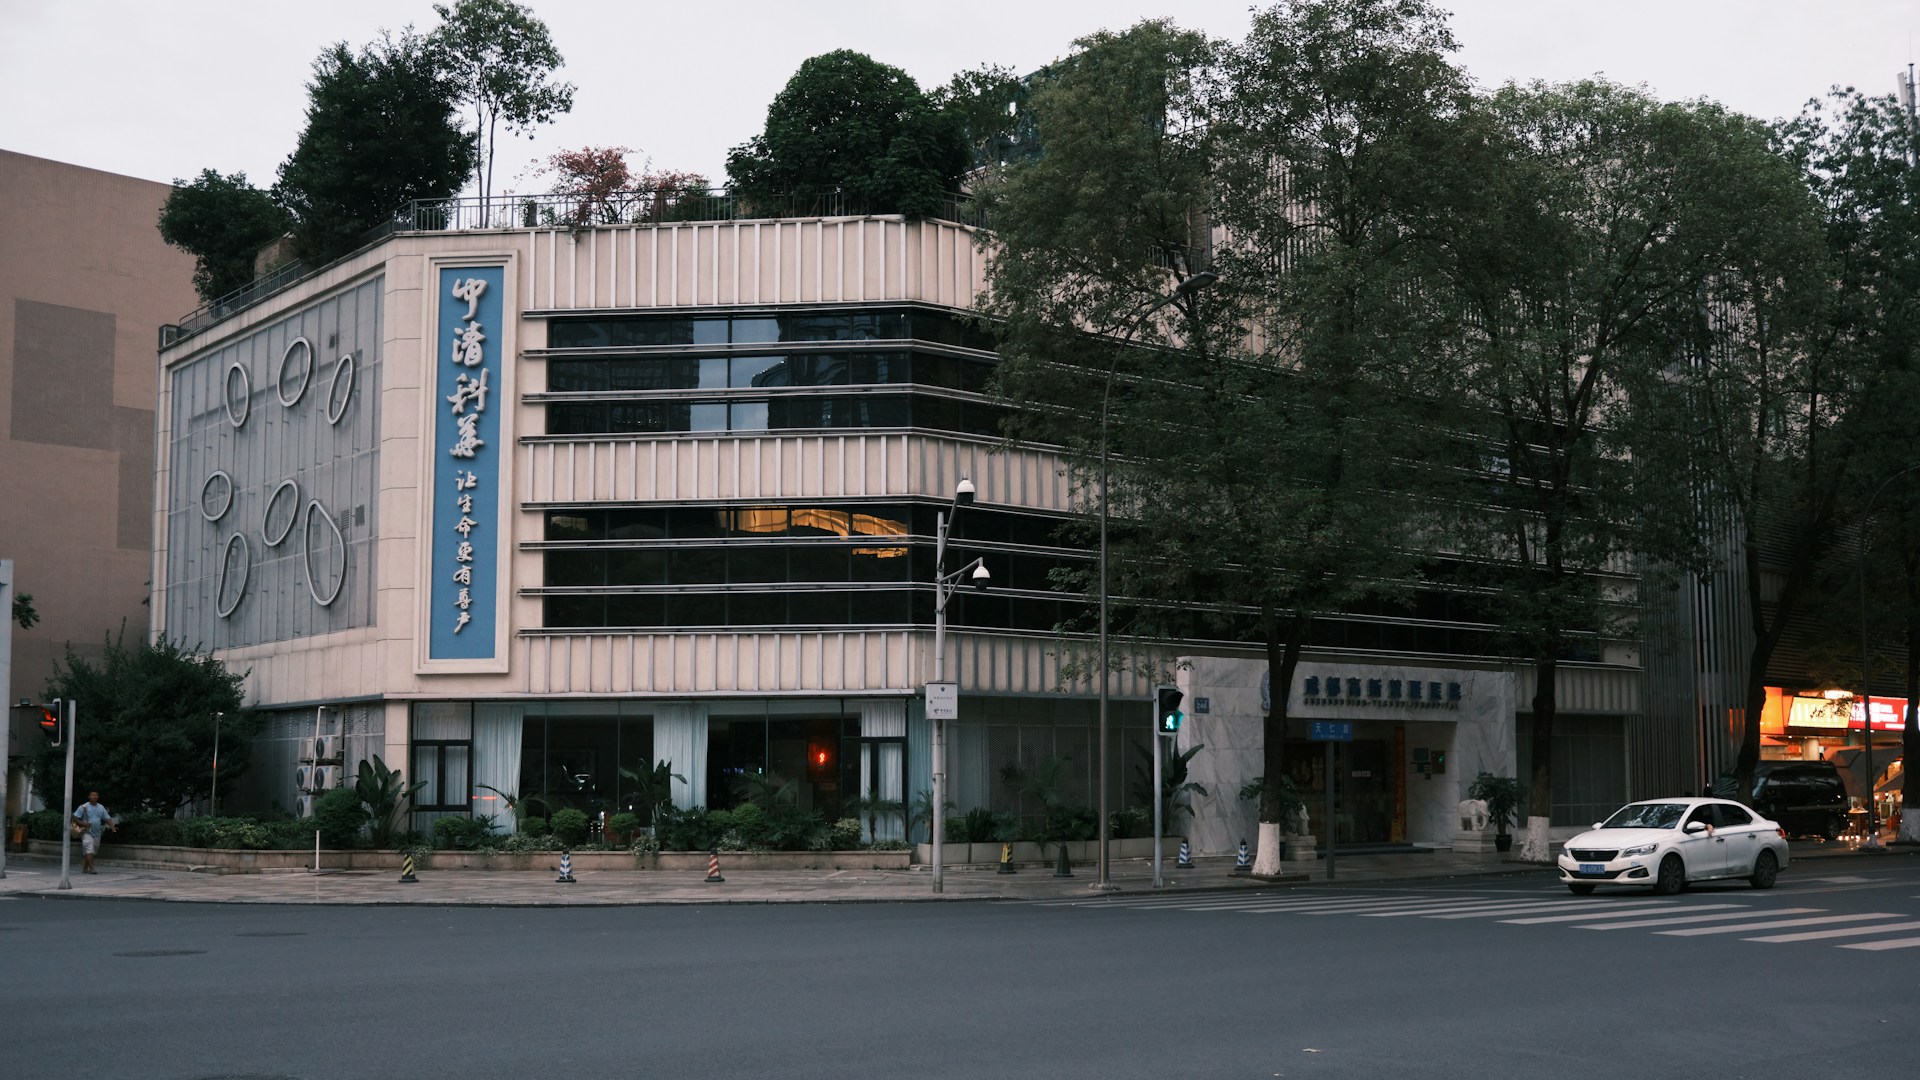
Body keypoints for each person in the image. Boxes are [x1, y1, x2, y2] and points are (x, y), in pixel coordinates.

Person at [71, 791, 115, 874]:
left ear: (98, 797)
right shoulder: (84, 807)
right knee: (89, 849)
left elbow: (106, 818)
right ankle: (92, 868)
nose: (94, 796)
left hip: (97, 833)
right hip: (86, 832)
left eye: (96, 795)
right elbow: (75, 818)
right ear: (89, 796)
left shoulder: (101, 807)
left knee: (93, 851)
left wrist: (112, 826)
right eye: (92, 795)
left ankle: (85, 867)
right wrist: (83, 824)